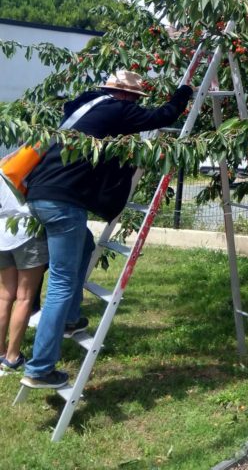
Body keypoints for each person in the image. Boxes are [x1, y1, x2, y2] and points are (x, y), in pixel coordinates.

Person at [19, 69, 192, 390]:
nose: (133, 103)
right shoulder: (118, 108)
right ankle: (40, 367)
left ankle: (70, 320)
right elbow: (162, 116)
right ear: (127, 95)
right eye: (134, 98)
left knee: (83, 243)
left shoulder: (81, 105)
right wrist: (184, 92)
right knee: (60, 282)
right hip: (63, 202)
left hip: (39, 193)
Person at [0, 176, 49, 374]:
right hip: (28, 231)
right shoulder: (34, 164)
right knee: (25, 297)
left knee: (4, 296)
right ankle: (12, 357)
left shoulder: (4, 163)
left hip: (3, 232)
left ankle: (1, 352)